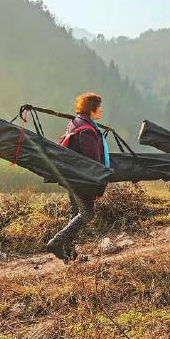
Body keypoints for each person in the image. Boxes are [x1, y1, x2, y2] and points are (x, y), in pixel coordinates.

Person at [46, 92, 110, 262]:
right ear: (91, 108)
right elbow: (92, 163)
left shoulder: (75, 122)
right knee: (88, 214)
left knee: (75, 211)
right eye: (99, 107)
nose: (101, 110)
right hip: (81, 179)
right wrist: (98, 186)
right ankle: (56, 242)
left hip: (71, 175)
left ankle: (69, 253)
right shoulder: (87, 130)